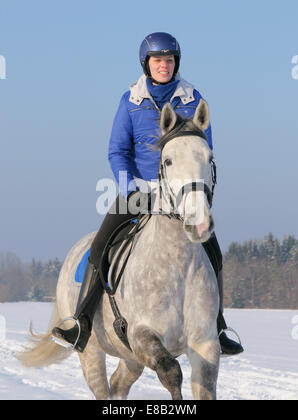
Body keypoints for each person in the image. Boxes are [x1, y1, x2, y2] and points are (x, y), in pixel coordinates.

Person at [52, 32, 243, 355]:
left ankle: (218, 327)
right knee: (100, 246)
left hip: (180, 195)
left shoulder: (193, 99)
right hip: (140, 191)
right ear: (147, 64)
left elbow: (203, 149)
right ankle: (81, 321)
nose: (164, 66)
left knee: (213, 252)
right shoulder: (130, 101)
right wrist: (128, 184)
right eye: (158, 61)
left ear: (175, 63)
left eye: (169, 60)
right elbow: (116, 150)